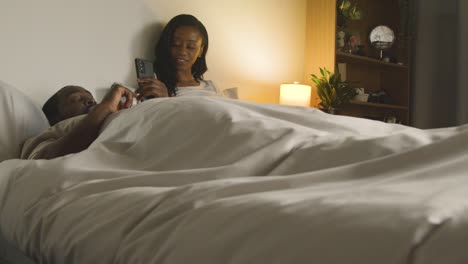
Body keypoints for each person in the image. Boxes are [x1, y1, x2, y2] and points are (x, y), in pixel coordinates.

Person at [21, 84, 135, 159]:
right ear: (56, 118)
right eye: (77, 99)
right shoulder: (48, 135)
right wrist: (107, 105)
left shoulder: (109, 114)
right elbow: (39, 162)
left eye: (92, 98)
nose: (91, 101)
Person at [137, 14, 223, 99]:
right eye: (175, 44)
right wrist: (164, 99)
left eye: (191, 47)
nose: (182, 52)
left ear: (201, 51)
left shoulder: (212, 87)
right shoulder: (157, 88)